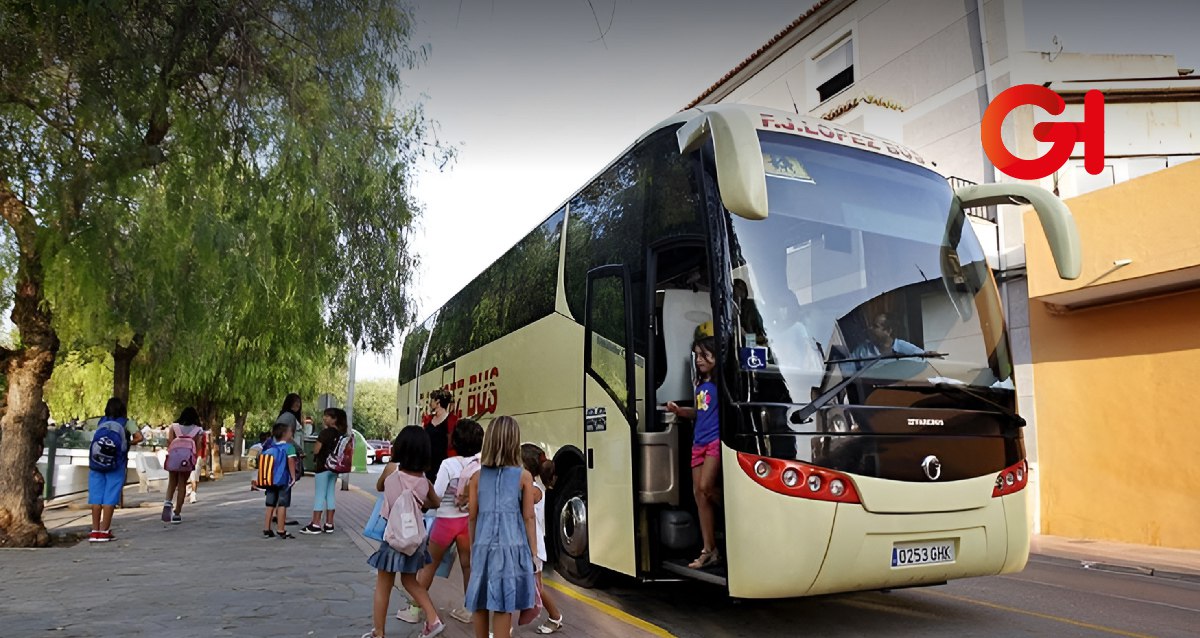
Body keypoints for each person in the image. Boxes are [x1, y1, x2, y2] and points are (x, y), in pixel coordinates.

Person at [401, 419, 485, 625]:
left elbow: (436, 494)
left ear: (454, 440)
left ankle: (415, 609)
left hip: (445, 522)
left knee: (429, 566)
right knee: (468, 567)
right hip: (467, 523)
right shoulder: (480, 464)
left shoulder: (449, 464)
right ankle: (469, 608)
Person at [364, 426, 443, 638]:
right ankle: (434, 619)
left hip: (393, 538)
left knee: (384, 584)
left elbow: (380, 486)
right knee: (410, 581)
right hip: (415, 539)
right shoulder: (424, 481)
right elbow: (435, 502)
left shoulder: (392, 470)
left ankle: (379, 633)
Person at [463, 415, 538, 638]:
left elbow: (472, 517)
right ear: (515, 442)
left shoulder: (476, 477)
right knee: (503, 604)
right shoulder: (523, 476)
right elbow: (529, 517)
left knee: (480, 600)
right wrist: (533, 553)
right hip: (512, 546)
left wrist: (475, 545)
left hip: (483, 546)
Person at [666, 334, 723, 569]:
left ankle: (737, 512)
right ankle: (709, 549)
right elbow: (699, 413)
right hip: (698, 442)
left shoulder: (724, 383)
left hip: (714, 442)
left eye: (704, 355)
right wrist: (680, 411)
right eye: (697, 355)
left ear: (716, 355)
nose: (699, 360)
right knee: (700, 497)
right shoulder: (701, 384)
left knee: (706, 488)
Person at [521, 443, 564, 635]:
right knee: (529, 585)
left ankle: (555, 616)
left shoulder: (534, 489)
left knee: (536, 586)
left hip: (533, 544)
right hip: (525, 542)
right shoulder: (531, 485)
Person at [87, 397, 144, 543]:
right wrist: (127, 443)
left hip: (96, 462)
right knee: (110, 496)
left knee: (96, 497)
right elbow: (139, 437)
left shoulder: (101, 421)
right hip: (117, 463)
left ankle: (94, 531)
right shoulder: (127, 423)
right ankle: (104, 531)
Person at [301, 408, 349, 535]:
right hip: (334, 468)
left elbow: (317, 450)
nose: (325, 418)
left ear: (335, 419)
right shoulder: (341, 434)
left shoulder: (325, 433)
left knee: (320, 494)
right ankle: (329, 524)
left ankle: (315, 524)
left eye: (328, 416)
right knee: (330, 494)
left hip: (323, 466)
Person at [162, 407, 204, 524]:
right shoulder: (197, 430)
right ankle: (177, 513)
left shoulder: (174, 427)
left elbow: (170, 442)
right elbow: (198, 446)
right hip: (186, 460)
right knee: (182, 485)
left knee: (172, 482)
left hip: (174, 458)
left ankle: (167, 502)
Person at [261, 422, 299, 539]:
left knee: (270, 504)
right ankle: (281, 529)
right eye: (290, 432)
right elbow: (291, 462)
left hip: (270, 480)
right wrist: (293, 477)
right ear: (286, 434)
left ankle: (267, 529)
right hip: (283, 480)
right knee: (282, 504)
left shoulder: (271, 448)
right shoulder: (289, 447)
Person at [850, 312, 924, 368]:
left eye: (875, 326)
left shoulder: (903, 347)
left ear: (888, 331)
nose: (870, 328)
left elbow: (924, 359)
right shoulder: (863, 350)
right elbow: (847, 368)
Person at [422, 388, 458, 482]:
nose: (430, 403)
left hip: (443, 464)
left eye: (431, 400)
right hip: (427, 464)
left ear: (438, 401)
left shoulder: (452, 420)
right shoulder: (428, 419)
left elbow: (452, 443)